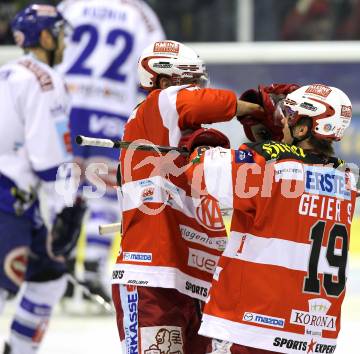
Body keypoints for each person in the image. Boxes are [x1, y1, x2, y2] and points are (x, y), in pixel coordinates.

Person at [111, 39, 263, 354]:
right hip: (153, 278)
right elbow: (199, 103)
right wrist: (252, 109)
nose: (198, 89)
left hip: (199, 284)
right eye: (191, 83)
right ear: (165, 81)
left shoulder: (192, 140)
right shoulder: (155, 107)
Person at [185, 83, 356, 353]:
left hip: (253, 329)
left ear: (303, 128)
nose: (282, 125)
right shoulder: (347, 183)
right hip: (315, 337)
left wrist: (201, 145)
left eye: (288, 117)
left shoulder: (271, 167)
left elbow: (198, 172)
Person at [56, 0, 165, 302]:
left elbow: (49, 48)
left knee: (63, 185)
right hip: (113, 108)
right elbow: (156, 68)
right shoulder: (141, 14)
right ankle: (92, 265)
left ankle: (59, 263)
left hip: (68, 104)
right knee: (105, 186)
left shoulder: (73, 5)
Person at [0, 4, 85, 354]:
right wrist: (68, 207)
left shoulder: (9, 71)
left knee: (49, 275)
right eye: (61, 34)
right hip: (8, 198)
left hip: (18, 197)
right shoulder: (44, 80)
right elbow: (50, 159)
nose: (65, 42)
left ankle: (19, 349)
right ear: (46, 37)